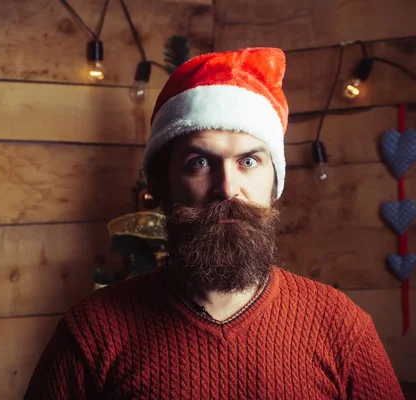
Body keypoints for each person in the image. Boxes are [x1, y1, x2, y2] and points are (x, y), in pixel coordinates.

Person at [24, 47, 404, 399]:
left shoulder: (340, 326)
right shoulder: (92, 332)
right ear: (161, 185)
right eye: (200, 162)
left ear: (275, 183)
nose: (226, 189)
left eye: (249, 161)